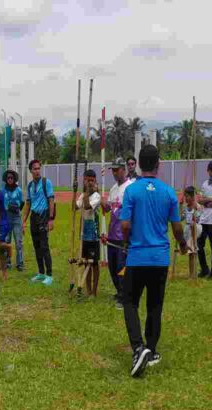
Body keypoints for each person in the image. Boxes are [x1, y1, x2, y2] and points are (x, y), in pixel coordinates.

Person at [119, 145, 187, 377]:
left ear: (138, 163)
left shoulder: (132, 190)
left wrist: (127, 241)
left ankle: (138, 347)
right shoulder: (168, 192)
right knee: (155, 305)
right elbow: (177, 227)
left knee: (129, 302)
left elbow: (125, 224)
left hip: (137, 257)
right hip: (160, 258)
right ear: (158, 164)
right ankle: (152, 349)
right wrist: (183, 244)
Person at [100, 158, 132, 308]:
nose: (114, 173)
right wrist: (102, 201)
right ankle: (119, 291)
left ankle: (125, 296)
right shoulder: (113, 189)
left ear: (123, 169)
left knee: (121, 267)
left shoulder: (130, 188)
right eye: (112, 170)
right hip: (112, 234)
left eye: (116, 170)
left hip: (123, 235)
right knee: (113, 267)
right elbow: (108, 209)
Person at [23, 160, 55, 286]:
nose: (37, 171)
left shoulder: (46, 182)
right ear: (30, 171)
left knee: (44, 246)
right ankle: (41, 272)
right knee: (36, 246)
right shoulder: (30, 185)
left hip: (44, 216)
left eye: (38, 168)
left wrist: (51, 219)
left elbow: (51, 200)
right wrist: (23, 221)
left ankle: (49, 274)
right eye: (34, 169)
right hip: (34, 218)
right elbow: (28, 204)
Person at [76, 169, 101, 297]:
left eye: (92, 180)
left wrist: (86, 192)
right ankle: (88, 290)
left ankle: (94, 292)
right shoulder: (82, 195)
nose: (90, 183)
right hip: (83, 235)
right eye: (87, 180)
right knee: (86, 262)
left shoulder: (96, 196)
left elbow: (86, 206)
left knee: (94, 263)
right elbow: (76, 206)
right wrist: (77, 190)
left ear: (95, 181)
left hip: (94, 235)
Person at [0, 170, 23, 282]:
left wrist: (16, 207)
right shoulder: (3, 191)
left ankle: (20, 263)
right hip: (7, 217)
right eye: (8, 178)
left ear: (14, 179)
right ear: (6, 179)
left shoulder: (18, 190)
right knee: (7, 241)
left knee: (18, 241)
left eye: (11, 178)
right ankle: (7, 262)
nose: (10, 179)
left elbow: (22, 202)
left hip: (16, 217)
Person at [181, 186, 203, 275]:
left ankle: (192, 273)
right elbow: (180, 218)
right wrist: (179, 206)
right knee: (190, 252)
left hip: (195, 228)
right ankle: (192, 272)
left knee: (192, 251)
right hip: (188, 229)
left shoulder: (197, 206)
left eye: (187, 196)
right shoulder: (186, 207)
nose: (186, 198)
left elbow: (197, 219)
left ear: (193, 196)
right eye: (185, 196)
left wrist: (195, 210)